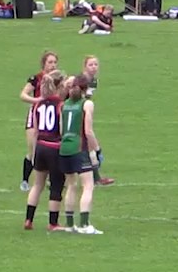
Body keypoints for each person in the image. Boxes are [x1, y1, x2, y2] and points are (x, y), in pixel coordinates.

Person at [24, 71, 68, 231]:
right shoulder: (60, 105)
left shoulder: (37, 104)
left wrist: (35, 152)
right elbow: (62, 130)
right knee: (56, 185)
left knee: (37, 184)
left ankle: (29, 219)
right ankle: (53, 223)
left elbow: (35, 130)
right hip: (54, 147)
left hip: (41, 147)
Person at [59, 74, 103, 234]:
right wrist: (96, 150)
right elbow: (88, 131)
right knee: (88, 185)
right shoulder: (87, 104)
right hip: (79, 148)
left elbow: (62, 130)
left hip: (64, 148)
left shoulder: (64, 105)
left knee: (71, 185)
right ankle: (84, 224)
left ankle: (70, 224)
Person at [20, 52, 60, 192]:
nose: (53, 65)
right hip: (37, 115)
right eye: (50, 62)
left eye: (55, 62)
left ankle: (50, 179)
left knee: (52, 147)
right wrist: (37, 100)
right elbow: (23, 95)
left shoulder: (58, 79)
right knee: (33, 149)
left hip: (52, 116)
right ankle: (25, 180)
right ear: (44, 63)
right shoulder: (36, 78)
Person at [81, 56, 114, 186]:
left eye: (95, 64)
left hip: (83, 113)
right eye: (90, 64)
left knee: (88, 146)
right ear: (85, 67)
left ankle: (96, 178)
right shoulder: (81, 80)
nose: (94, 67)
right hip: (73, 113)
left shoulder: (94, 81)